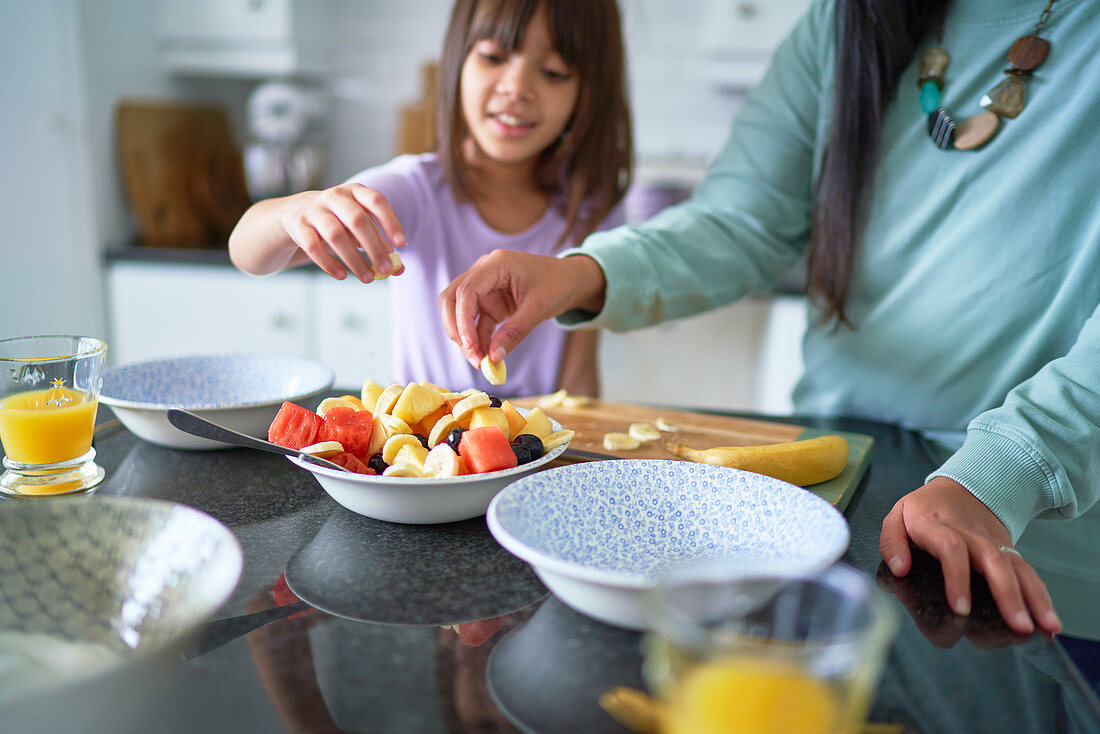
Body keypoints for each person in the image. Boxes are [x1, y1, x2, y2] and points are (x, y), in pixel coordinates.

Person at [440, 0, 1100, 638]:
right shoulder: (846, 20)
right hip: (844, 490)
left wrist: (997, 480)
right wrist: (579, 273)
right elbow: (743, 221)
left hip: (1042, 556)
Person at [229, 0, 631, 398]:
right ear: (458, 60)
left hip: (539, 450)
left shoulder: (592, 209)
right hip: (426, 454)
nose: (517, 88)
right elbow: (248, 254)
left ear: (589, 90)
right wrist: (291, 213)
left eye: (553, 72)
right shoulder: (414, 190)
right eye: (492, 56)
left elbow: (579, 384)